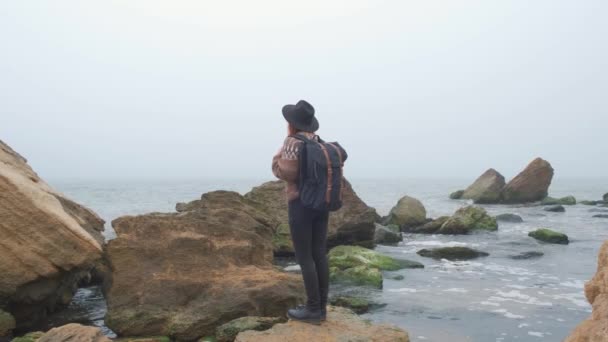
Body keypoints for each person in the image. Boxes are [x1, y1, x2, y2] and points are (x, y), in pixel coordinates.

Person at [272, 99, 329, 325]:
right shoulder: (320, 142)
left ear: (291, 123)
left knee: (304, 256)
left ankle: (312, 310)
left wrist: (277, 156)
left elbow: (285, 173)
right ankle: (321, 308)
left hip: (300, 204)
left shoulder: (292, 142)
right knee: (319, 254)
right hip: (321, 204)